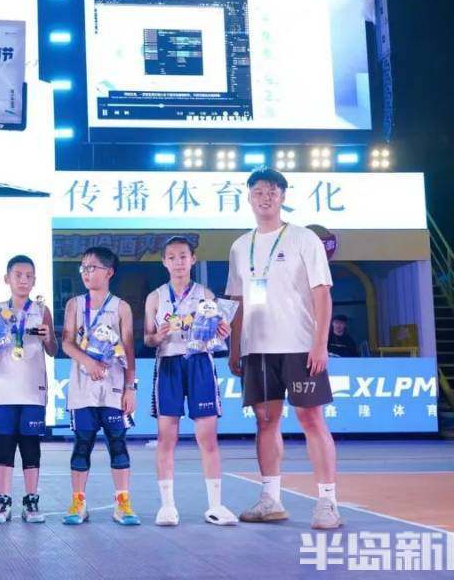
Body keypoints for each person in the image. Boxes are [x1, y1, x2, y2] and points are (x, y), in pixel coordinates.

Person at [225, 167, 342, 530]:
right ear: (248, 197)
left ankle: (327, 502)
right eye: (258, 192)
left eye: (272, 192)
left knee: (311, 419)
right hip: (257, 349)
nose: (265, 198)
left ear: (283, 197)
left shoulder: (304, 238)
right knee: (265, 420)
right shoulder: (240, 246)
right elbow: (237, 301)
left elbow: (322, 294)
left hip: (299, 345)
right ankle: (270, 499)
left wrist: (320, 344)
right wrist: (235, 348)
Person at [143, 236, 236, 526]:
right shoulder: (155, 297)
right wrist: (158, 335)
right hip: (168, 363)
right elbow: (147, 339)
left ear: (193, 259)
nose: (178, 262)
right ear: (164, 262)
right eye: (172, 257)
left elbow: (219, 331)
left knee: (207, 437)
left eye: (183, 256)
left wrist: (222, 330)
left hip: (200, 363)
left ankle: (215, 506)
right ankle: (167, 507)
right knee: (166, 437)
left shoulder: (206, 295)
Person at [0, 255, 57, 524]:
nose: (23, 280)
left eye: (29, 276)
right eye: (18, 275)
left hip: (33, 390)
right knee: (5, 446)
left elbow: (53, 350)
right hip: (5, 388)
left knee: (31, 446)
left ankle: (31, 501)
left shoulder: (41, 310)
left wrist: (48, 337)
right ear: (7, 279)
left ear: (34, 280)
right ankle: (3, 501)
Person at [61, 246, 140, 526]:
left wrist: (131, 388)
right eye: (83, 267)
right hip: (83, 388)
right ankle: (78, 503)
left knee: (117, 443)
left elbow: (129, 350)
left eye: (92, 267)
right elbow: (66, 342)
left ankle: (123, 504)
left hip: (114, 388)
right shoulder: (74, 304)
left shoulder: (121, 307)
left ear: (109, 272)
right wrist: (89, 362)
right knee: (82, 444)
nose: (86, 272)